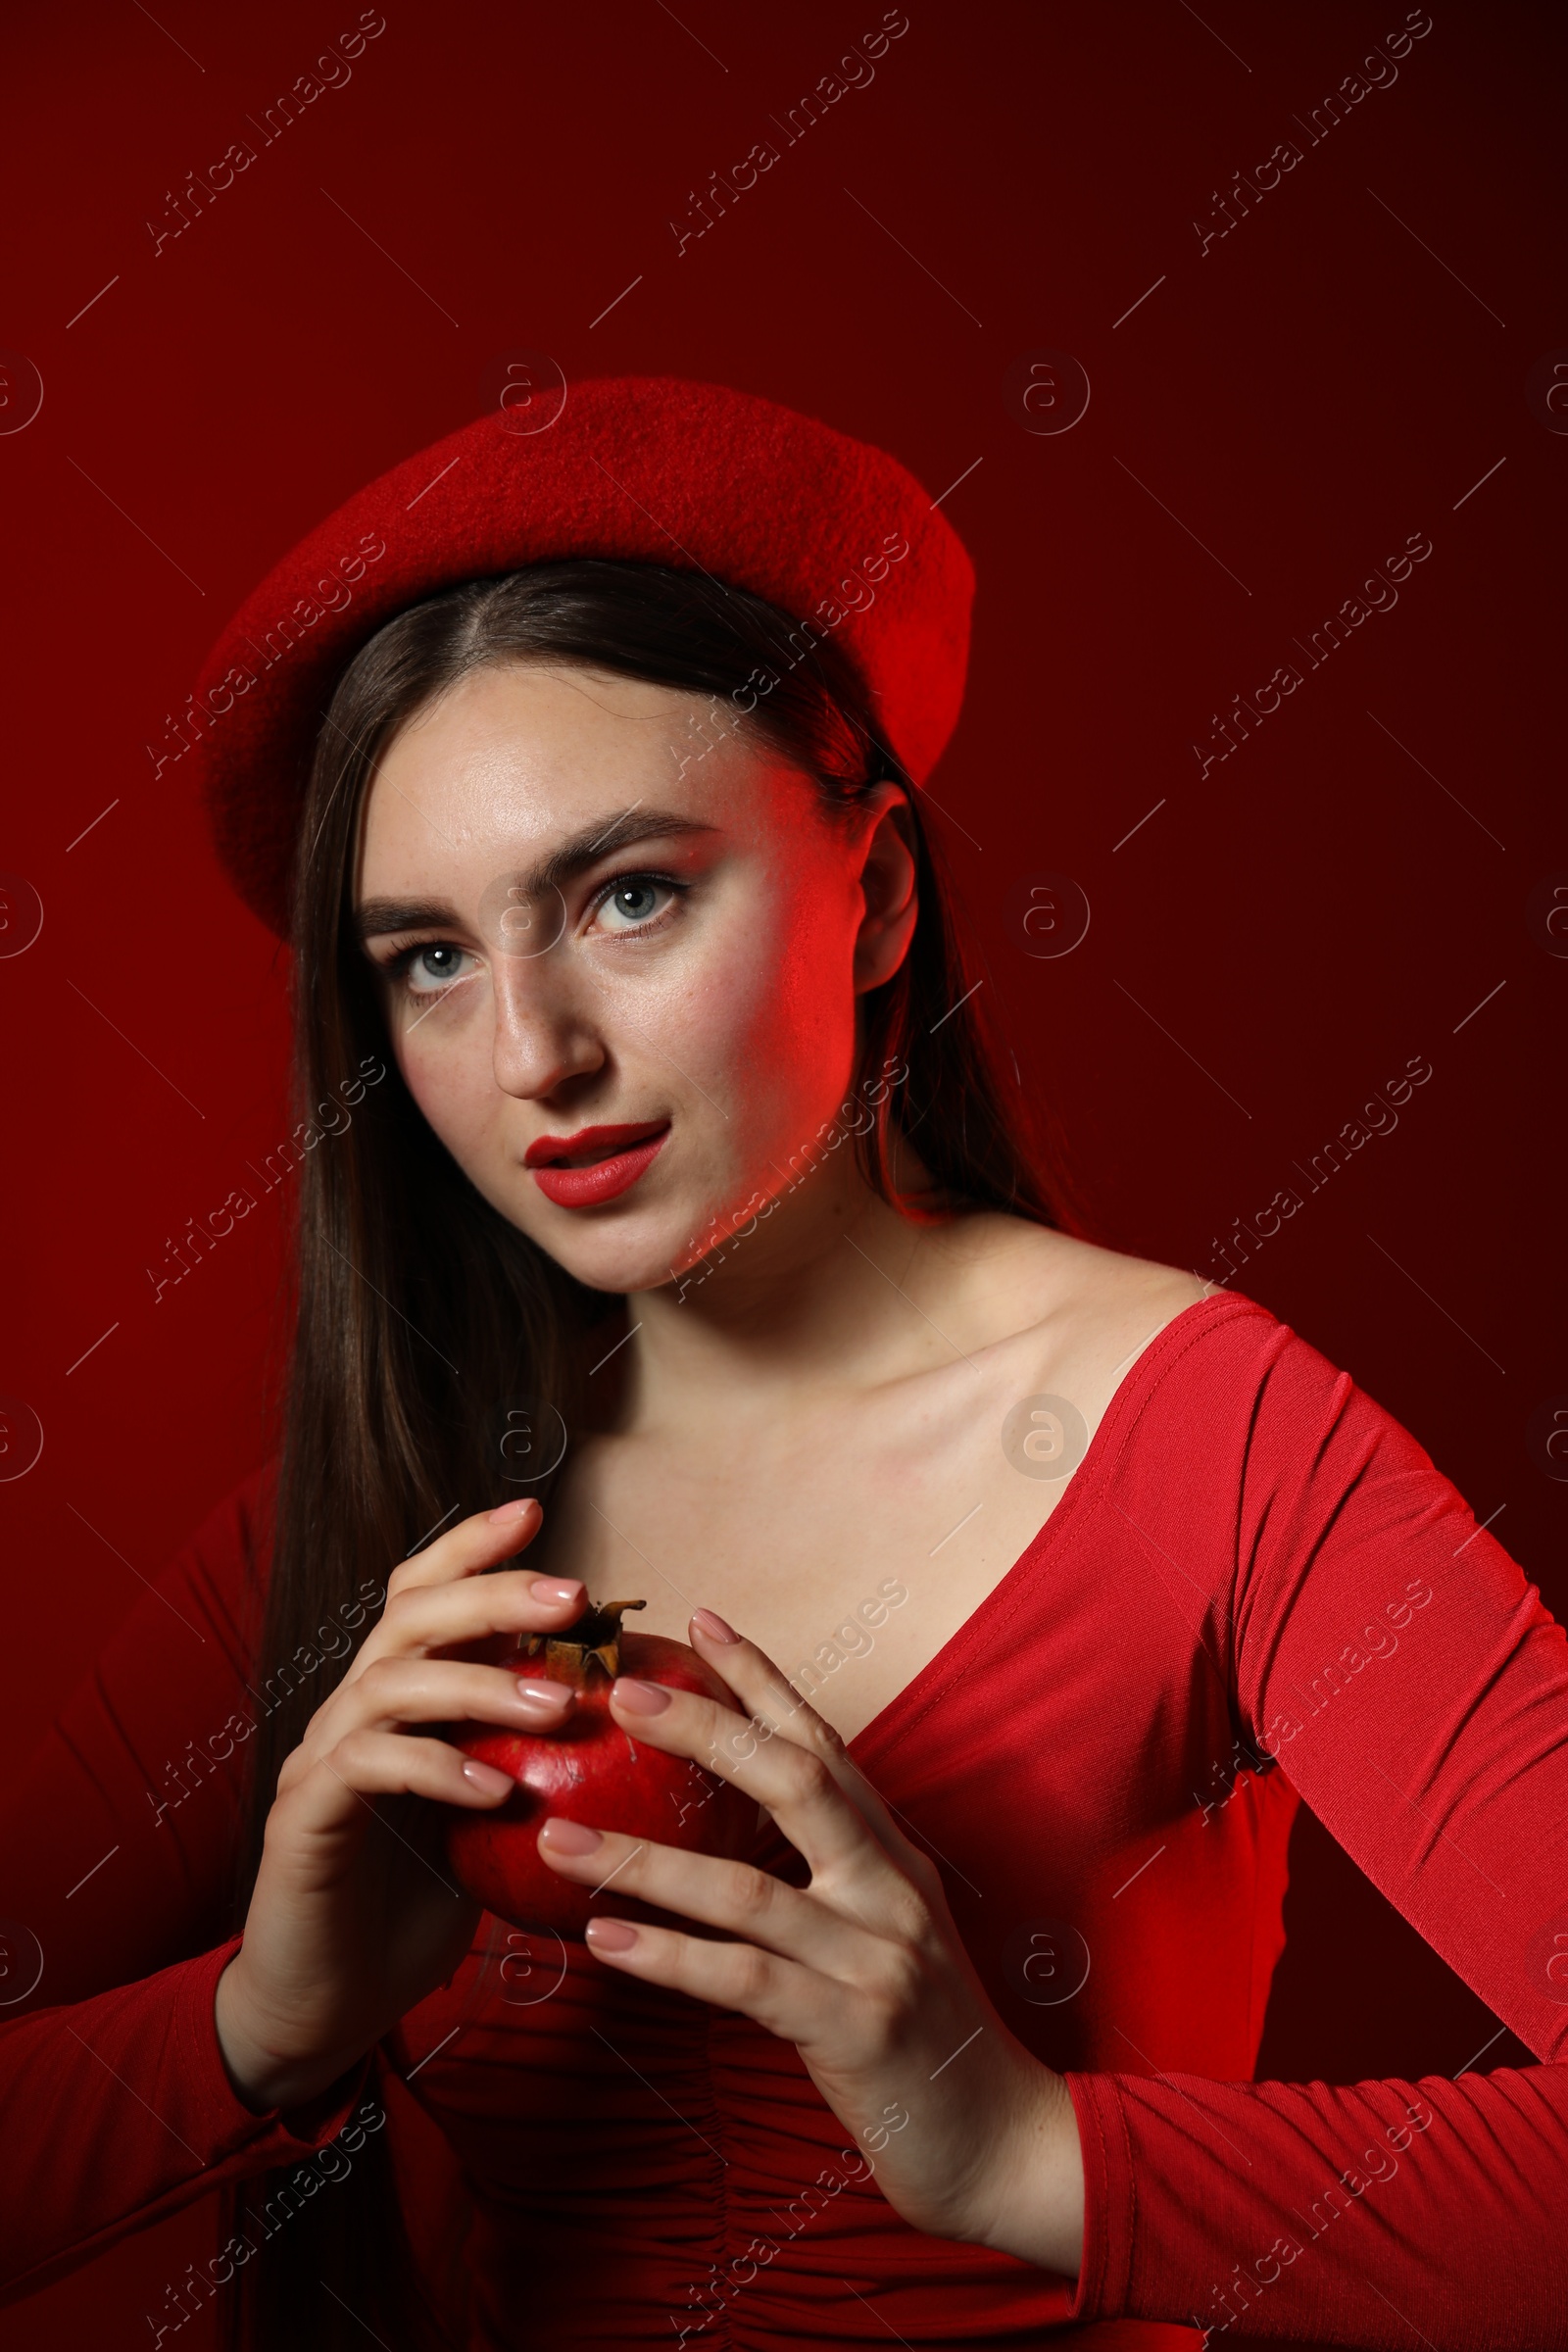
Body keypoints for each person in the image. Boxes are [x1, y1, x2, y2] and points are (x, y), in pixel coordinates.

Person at [2, 378, 1564, 2352]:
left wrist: (1015, 2157)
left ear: (878, 896)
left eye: (628, 896)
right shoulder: (366, 1530)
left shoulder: (1213, 1438)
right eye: (428, 958)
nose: (532, 1057)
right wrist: (256, 2026)